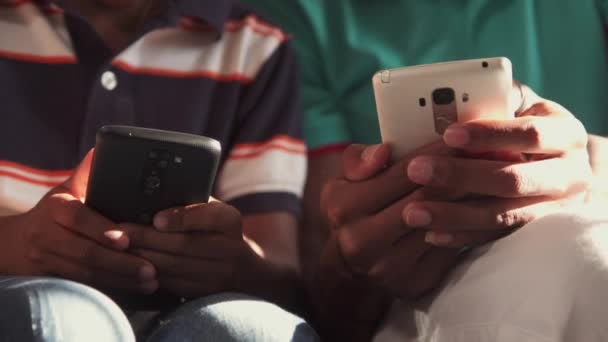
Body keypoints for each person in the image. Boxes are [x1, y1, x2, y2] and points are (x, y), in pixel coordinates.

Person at [240, 1, 608, 341]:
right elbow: (325, 289)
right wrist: (353, 271)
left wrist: (589, 165)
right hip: (426, 303)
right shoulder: (292, 17)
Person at [0, 0, 320, 340]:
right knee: (55, 316)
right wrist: (17, 242)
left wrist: (235, 265)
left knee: (251, 332)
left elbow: (280, 270)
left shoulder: (255, 47)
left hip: (186, 308)